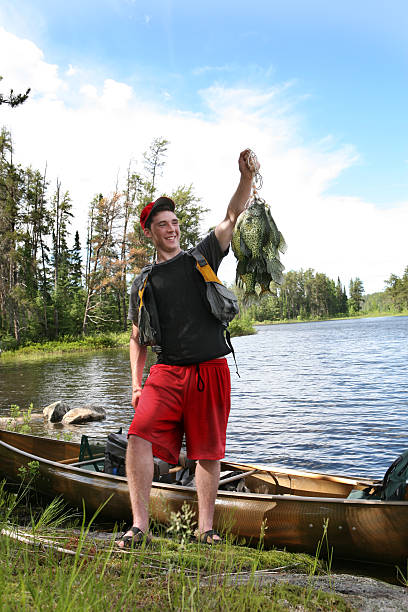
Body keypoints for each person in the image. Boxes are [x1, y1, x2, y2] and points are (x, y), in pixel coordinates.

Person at [117, 149, 256, 548]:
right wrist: (136, 383)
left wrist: (245, 177)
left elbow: (231, 216)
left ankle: (205, 528)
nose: (172, 229)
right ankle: (139, 525)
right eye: (163, 224)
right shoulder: (144, 282)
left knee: (207, 451)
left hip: (211, 369)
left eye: (175, 222)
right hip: (167, 372)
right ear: (151, 232)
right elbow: (136, 338)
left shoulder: (202, 256)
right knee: (139, 436)